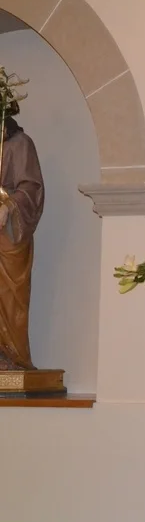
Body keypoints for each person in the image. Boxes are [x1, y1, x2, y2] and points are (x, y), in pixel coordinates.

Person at [0, 98, 44, 370]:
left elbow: (32, 188)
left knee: (9, 296)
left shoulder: (20, 144)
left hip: (7, 235)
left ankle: (11, 357)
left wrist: (8, 206)